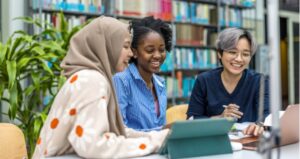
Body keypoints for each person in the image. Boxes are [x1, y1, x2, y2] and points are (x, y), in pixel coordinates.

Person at [33, 16, 168, 159]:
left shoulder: (91, 77)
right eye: (126, 46)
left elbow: (117, 132)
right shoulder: (91, 80)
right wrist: (153, 142)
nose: (130, 53)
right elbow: (93, 146)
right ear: (107, 46)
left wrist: (157, 137)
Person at [187, 28, 269, 136]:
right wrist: (220, 118)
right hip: (214, 143)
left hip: (249, 143)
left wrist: (260, 125)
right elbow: (192, 119)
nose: (239, 59)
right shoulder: (204, 80)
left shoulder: (259, 81)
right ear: (220, 54)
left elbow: (268, 116)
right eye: (232, 52)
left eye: (245, 54)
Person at [113, 16, 172, 131]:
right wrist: (164, 130)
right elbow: (120, 130)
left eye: (162, 50)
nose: (157, 55)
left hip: (159, 147)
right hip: (134, 148)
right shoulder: (121, 80)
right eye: (150, 50)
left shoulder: (160, 83)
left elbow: (160, 126)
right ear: (134, 52)